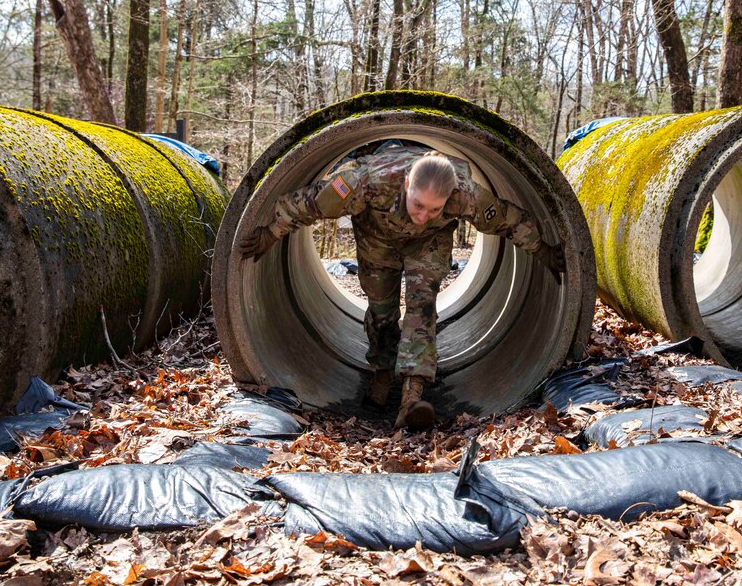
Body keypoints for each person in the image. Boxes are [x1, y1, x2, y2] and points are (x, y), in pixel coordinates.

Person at [238, 146, 566, 430]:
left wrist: (544, 250)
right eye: (418, 205)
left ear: (449, 198)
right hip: (376, 237)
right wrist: (271, 231)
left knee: (422, 306)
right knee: (381, 307)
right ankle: (382, 370)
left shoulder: (466, 194)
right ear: (407, 183)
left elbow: (508, 219)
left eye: (435, 209)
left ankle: (412, 397)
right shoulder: (366, 181)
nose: (423, 215)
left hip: (429, 244)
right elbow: (308, 203)